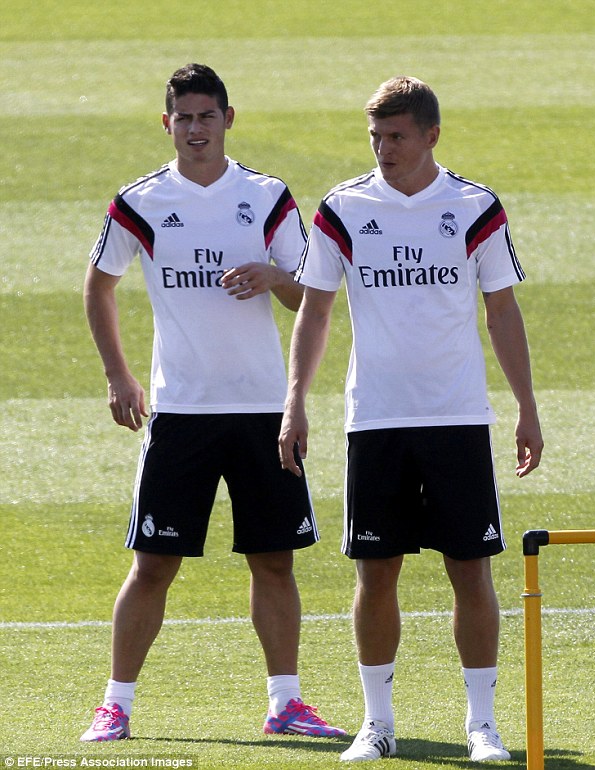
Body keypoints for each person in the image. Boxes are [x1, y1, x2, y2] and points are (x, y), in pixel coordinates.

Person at [278, 76, 543, 762]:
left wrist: (526, 407)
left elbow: (503, 311)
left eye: (396, 136)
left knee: (471, 569)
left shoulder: (475, 206)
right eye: (375, 137)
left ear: (431, 135)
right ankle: (379, 722)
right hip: (377, 420)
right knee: (376, 572)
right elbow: (315, 308)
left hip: (457, 418)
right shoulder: (343, 207)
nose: (384, 149)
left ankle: (482, 725)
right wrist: (295, 399)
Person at [80, 63, 344, 743]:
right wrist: (119, 376)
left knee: (275, 559)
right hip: (180, 410)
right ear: (167, 124)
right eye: (183, 118)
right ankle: (116, 705)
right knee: (152, 563)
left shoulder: (266, 196)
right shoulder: (138, 201)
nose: (195, 130)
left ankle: (285, 703)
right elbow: (99, 285)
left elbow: (309, 294)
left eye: (207, 116)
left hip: (261, 409)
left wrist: (272, 275)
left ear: (230, 118)